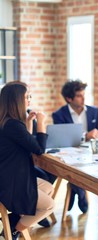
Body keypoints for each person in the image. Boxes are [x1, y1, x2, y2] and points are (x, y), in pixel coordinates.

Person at [0, 81, 54, 239]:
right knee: (48, 206)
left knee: (48, 187)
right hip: (11, 183)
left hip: (10, 177)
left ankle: (13, 220)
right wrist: (41, 123)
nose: (29, 99)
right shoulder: (13, 125)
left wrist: (29, 123)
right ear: (16, 100)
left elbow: (25, 145)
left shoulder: (8, 122)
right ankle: (14, 231)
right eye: (27, 96)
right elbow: (39, 149)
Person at [52, 79, 98, 214]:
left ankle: (75, 190)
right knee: (74, 168)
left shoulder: (94, 111)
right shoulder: (59, 115)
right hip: (69, 154)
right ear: (69, 98)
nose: (83, 98)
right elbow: (61, 139)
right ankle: (81, 193)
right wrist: (85, 136)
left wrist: (97, 134)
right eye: (79, 96)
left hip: (91, 153)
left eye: (84, 94)